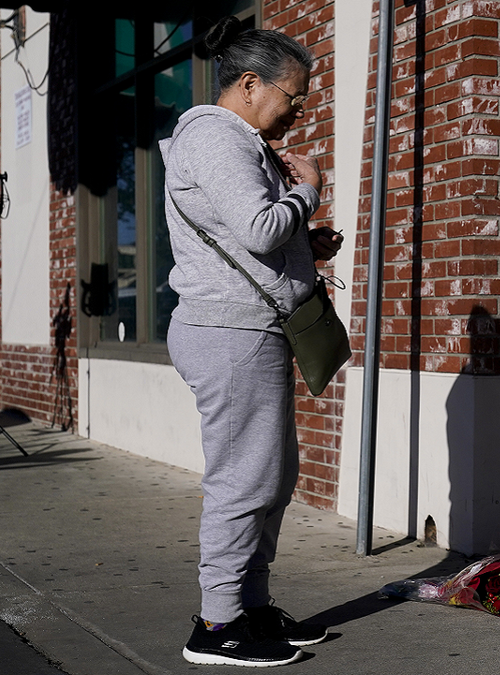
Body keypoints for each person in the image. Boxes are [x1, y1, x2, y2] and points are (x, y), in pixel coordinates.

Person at [161, 16, 342, 667]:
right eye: (293, 96)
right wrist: (309, 191)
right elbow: (261, 228)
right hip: (229, 333)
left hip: (250, 329)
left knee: (274, 476)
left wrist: (307, 243)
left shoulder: (242, 142)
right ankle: (215, 624)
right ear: (248, 83)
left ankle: (250, 604)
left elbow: (255, 235)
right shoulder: (217, 138)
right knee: (244, 481)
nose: (298, 109)